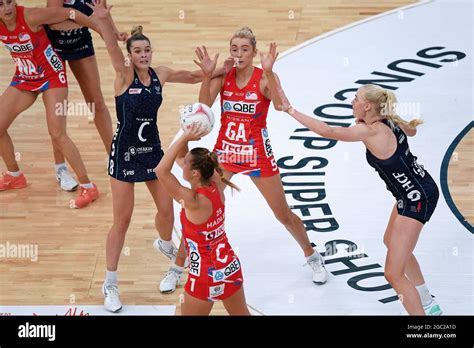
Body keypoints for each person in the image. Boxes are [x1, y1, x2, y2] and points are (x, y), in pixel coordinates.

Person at [159, 28, 328, 293]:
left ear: (253, 52)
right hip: (224, 154)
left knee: (282, 214)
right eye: (234, 48)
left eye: (244, 49)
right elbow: (203, 109)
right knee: (198, 210)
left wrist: (270, 71)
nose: (238, 54)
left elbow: (281, 105)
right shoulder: (225, 75)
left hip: (257, 154)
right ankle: (176, 268)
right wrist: (207, 75)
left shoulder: (263, 78)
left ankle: (312, 255)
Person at [88, 0, 226, 312]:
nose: (143, 55)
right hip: (125, 154)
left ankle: (165, 244)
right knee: (121, 221)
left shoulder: (160, 74)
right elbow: (111, 46)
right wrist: (105, 21)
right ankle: (110, 284)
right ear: (130, 55)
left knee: (168, 210)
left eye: (147, 50)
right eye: (138, 51)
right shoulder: (123, 76)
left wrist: (215, 71)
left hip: (152, 151)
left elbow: (191, 77)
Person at [280, 83, 442, 316]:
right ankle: (427, 301)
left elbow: (328, 132)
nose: (351, 102)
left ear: (367, 106)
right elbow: (412, 132)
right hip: (415, 189)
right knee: (391, 242)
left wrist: (290, 110)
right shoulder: (388, 119)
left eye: (356, 99)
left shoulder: (372, 131)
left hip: (416, 197)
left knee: (393, 274)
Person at [0, 0, 100, 208]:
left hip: (52, 77)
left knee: (57, 133)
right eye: (1, 4)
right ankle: (14, 175)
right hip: (25, 78)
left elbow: (70, 12)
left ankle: (88, 186)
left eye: (10, 2)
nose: (7, 8)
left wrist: (98, 26)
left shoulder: (32, 16)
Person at [156, 123, 250, 315]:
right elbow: (183, 157)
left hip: (206, 275)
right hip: (230, 267)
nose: (182, 163)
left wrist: (183, 137)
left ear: (194, 173)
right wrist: (185, 135)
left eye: (186, 164)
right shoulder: (217, 183)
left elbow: (161, 171)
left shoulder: (193, 201)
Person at [45, 0, 127, 191]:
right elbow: (52, 21)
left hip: (80, 42)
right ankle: (61, 168)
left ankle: (112, 154)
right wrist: (93, 23)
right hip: (53, 47)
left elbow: (101, 12)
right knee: (57, 109)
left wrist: (113, 32)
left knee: (96, 102)